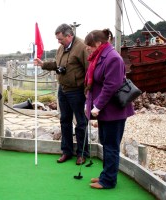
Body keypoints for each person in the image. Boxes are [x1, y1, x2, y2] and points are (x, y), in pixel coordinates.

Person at [83, 29, 135, 189]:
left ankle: (109, 180)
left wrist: (97, 105)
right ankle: (105, 174)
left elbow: (111, 86)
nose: (87, 48)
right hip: (107, 110)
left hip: (114, 111)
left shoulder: (112, 58)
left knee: (111, 145)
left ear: (98, 43)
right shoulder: (101, 56)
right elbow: (99, 84)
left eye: (89, 45)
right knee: (106, 143)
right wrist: (90, 103)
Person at [34, 23, 89, 165]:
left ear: (69, 36)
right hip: (63, 89)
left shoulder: (82, 46)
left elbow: (89, 70)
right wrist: (43, 64)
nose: (58, 42)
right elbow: (57, 65)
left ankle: (82, 154)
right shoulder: (61, 48)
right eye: (58, 39)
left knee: (81, 122)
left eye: (60, 39)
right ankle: (67, 151)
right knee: (64, 120)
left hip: (77, 90)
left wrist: (88, 90)